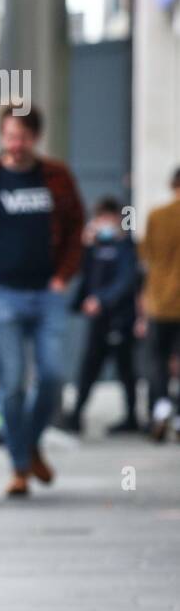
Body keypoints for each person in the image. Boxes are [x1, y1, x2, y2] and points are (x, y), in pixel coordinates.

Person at [0, 104, 85, 497]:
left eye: (23, 137)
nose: (16, 144)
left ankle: (28, 444)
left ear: (35, 138)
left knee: (52, 377)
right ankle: (18, 467)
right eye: (10, 136)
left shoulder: (56, 178)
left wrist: (64, 277)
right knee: (12, 383)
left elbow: (76, 229)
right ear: (2, 136)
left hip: (48, 294)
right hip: (0, 294)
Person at [66, 197, 140, 436]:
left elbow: (126, 281)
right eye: (99, 219)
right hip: (98, 321)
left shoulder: (126, 247)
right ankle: (76, 415)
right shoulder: (94, 248)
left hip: (120, 318)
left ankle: (131, 417)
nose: (103, 223)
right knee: (89, 368)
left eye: (107, 218)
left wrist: (103, 300)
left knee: (125, 369)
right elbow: (83, 275)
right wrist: (85, 245)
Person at [140, 167, 180, 442]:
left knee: (157, 359)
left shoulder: (156, 215)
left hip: (159, 301)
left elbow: (145, 257)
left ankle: (161, 406)